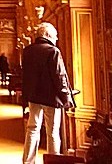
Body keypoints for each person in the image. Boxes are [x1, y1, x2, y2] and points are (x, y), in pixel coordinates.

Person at [22, 22, 75, 164]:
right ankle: (53, 161)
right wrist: (67, 98)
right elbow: (59, 76)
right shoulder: (53, 51)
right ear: (48, 35)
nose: (56, 39)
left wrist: (25, 97)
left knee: (32, 129)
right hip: (52, 98)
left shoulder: (27, 51)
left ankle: (28, 161)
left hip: (33, 97)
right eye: (55, 36)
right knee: (52, 132)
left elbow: (26, 76)